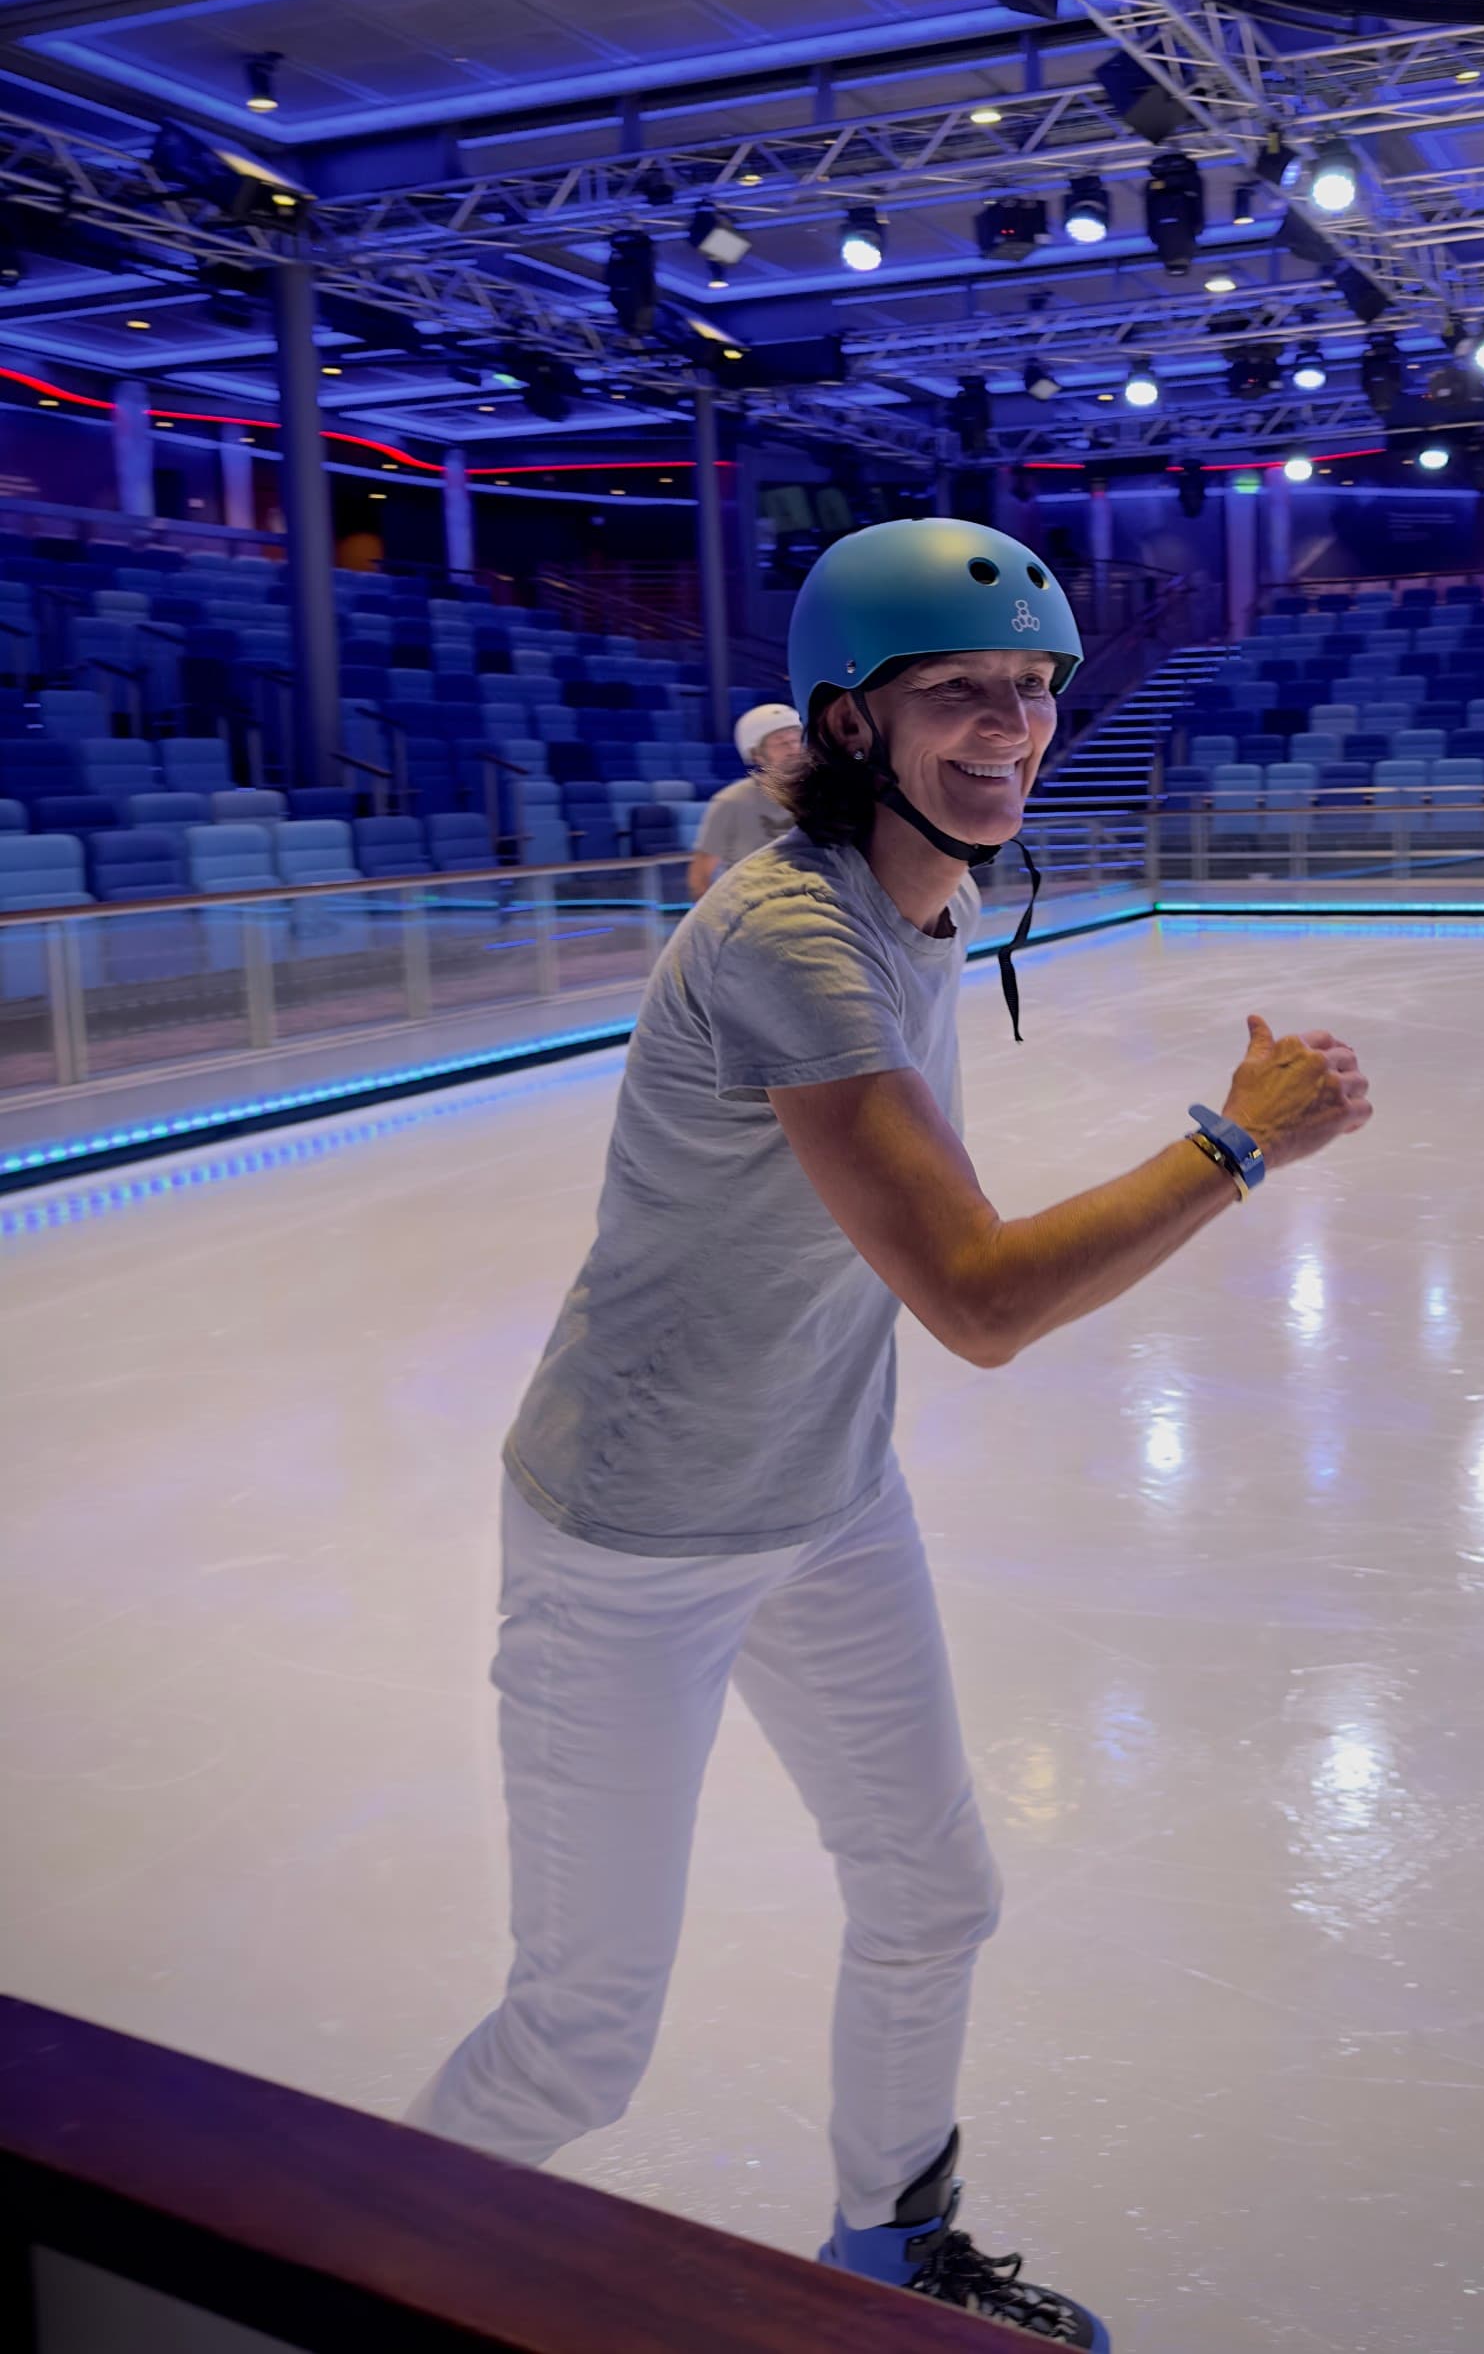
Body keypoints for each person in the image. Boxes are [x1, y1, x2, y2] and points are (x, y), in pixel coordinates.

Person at [406, 518, 1373, 2344]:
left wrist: (803, 744)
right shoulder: (797, 938)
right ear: (859, 725)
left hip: (824, 1493)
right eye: (959, 695)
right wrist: (1238, 1139)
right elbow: (981, 1298)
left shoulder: (831, 830)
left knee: (934, 1892)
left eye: (1032, 692)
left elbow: (751, 784)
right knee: (581, 2034)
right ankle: (313, 2260)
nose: (1012, 728)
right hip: (634, 1531)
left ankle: (887, 2252)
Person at [687, 702, 807, 899]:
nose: (794, 748)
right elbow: (701, 875)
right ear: (756, 754)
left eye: (797, 739)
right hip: (753, 912)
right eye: (781, 742)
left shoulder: (823, 796)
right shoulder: (731, 801)